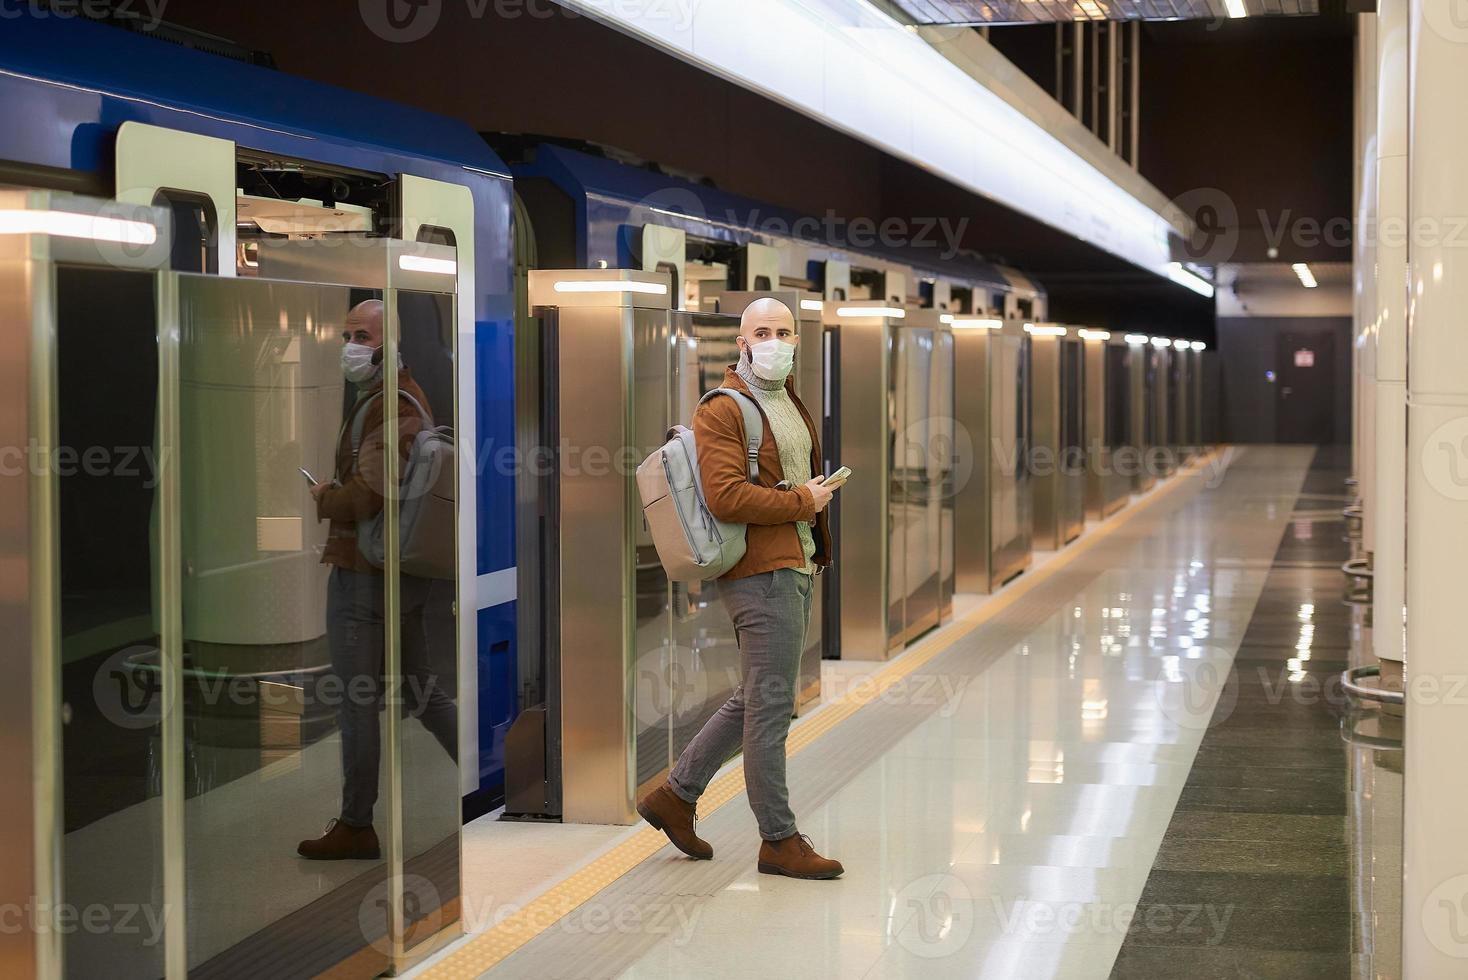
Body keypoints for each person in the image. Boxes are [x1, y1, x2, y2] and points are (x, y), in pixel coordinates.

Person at [637, 297, 843, 880]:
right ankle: (778, 839)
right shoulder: (723, 410)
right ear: (741, 342)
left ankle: (675, 796)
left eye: (783, 331)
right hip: (759, 571)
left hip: (795, 562)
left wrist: (807, 507)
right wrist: (804, 500)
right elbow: (726, 496)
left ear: (797, 339)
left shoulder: (787, 400)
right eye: (761, 332)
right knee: (772, 704)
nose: (773, 341)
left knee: (757, 695)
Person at [297, 299, 458, 861]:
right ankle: (501, 778)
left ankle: (356, 823)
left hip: (365, 576)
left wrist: (326, 499)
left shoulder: (389, 406)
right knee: (420, 690)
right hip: (399, 574)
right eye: (347, 334)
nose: (351, 345)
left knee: (355, 699)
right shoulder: (402, 398)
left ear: (390, 343)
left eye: (362, 335)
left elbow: (372, 492)